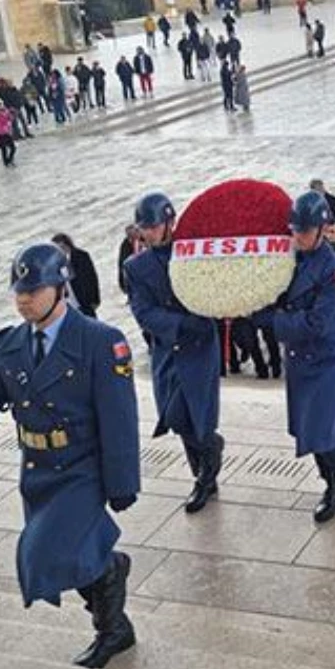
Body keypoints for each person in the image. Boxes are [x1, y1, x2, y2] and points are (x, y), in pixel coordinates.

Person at [0, 243, 140, 669]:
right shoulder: (8, 347)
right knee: (70, 555)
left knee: (44, 553)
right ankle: (114, 611)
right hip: (37, 472)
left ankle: (109, 612)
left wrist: (124, 481)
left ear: (60, 288)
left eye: (34, 290)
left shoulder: (99, 341)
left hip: (82, 470)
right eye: (19, 290)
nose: (24, 299)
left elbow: (120, 418)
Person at [255, 191, 335, 522]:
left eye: (304, 231)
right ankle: (329, 479)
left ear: (322, 228)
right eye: (295, 230)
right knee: (307, 430)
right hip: (300, 358)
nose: (297, 236)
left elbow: (318, 323)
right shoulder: (287, 259)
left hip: (326, 359)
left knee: (321, 428)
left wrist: (272, 322)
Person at [122, 193, 224, 514]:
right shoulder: (135, 266)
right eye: (144, 228)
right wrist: (181, 324)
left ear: (169, 222)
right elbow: (143, 311)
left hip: (200, 349)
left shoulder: (194, 252)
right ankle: (206, 463)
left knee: (198, 414)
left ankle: (204, 477)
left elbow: (219, 288)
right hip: (168, 347)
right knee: (176, 417)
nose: (147, 233)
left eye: (152, 226)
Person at [52, 234, 101, 318]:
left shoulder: (81, 256)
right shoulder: (54, 265)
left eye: (61, 247)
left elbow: (92, 278)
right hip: (67, 308)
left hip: (84, 302)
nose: (60, 250)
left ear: (67, 245)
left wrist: (95, 299)